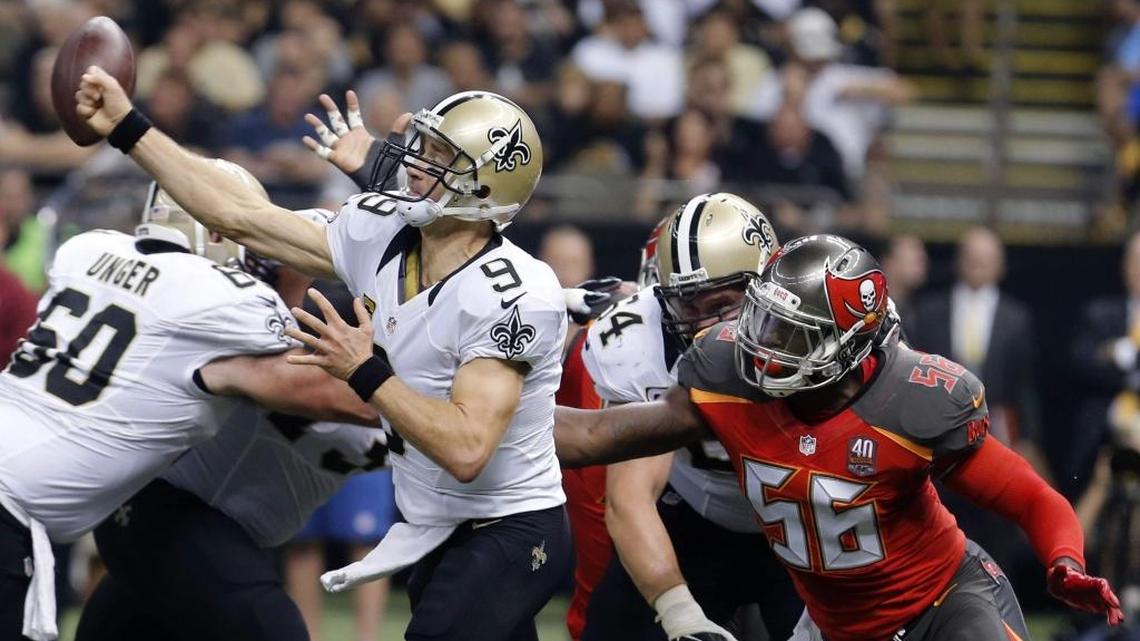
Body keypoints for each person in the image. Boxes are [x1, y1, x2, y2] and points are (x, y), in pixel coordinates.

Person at [75, 68, 573, 641]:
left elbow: (466, 449)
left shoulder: (512, 293)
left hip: (508, 529)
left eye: (441, 156)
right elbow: (240, 217)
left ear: (485, 188)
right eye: (423, 146)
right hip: (437, 525)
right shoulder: (382, 231)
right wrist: (129, 127)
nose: (415, 162)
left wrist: (363, 370)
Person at [554, 234, 1124, 641]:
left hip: (945, 605)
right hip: (830, 625)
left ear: (850, 344)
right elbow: (599, 435)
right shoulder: (729, 382)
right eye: (762, 320)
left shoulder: (912, 402)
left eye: (788, 333)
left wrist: (1065, 559)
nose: (761, 344)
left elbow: (1029, 495)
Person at [0, 161, 376, 641]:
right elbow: (321, 383)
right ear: (222, 229)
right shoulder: (222, 300)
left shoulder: (87, 250)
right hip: (13, 507)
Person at [74, 272, 392, 641]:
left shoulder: (400, 396)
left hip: (207, 537)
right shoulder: (279, 360)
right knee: (274, 628)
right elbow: (342, 396)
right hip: (173, 515)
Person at [575, 193, 801, 641]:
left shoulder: (813, 320)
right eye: (686, 304)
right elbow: (631, 497)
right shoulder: (637, 340)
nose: (700, 324)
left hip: (804, 525)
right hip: (695, 514)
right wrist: (679, 612)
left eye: (718, 303)